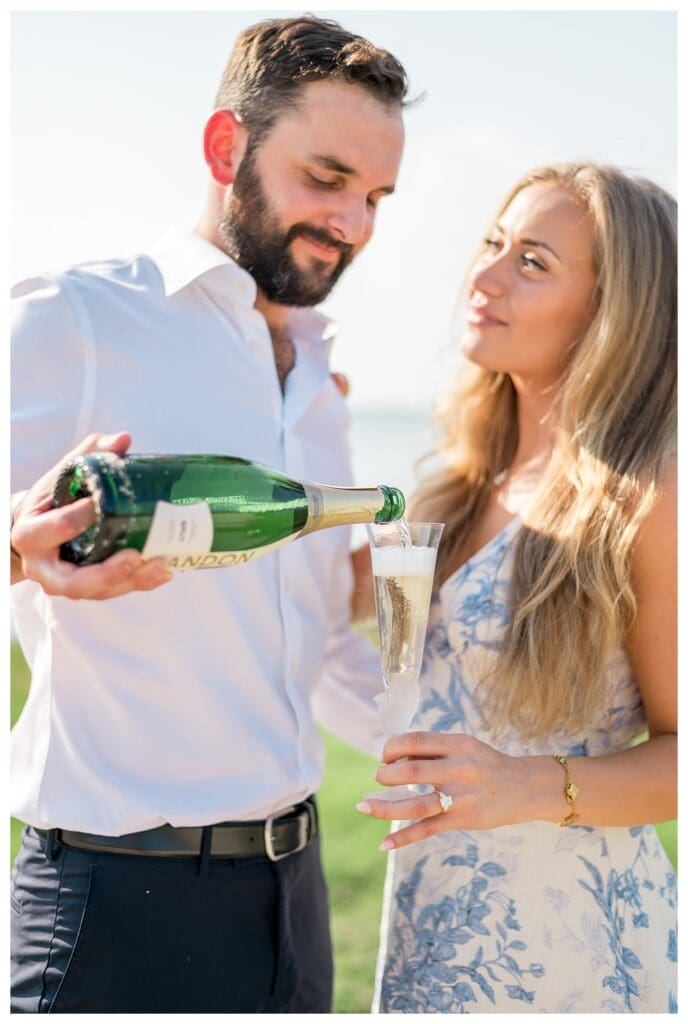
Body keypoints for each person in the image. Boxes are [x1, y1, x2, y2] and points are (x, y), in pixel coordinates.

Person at [9, 15, 407, 1013]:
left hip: (294, 900)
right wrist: (19, 544)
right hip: (112, 902)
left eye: (374, 197)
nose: (354, 223)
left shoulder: (318, 383)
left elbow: (314, 641)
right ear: (227, 147)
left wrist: (451, 751)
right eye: (326, 178)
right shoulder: (74, 318)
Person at [353, 163, 677, 1013]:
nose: (485, 276)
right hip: (435, 924)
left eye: (532, 262)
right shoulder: (460, 486)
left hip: (573, 949)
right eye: (493, 244)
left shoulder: (648, 498)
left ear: (611, 313)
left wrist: (530, 785)